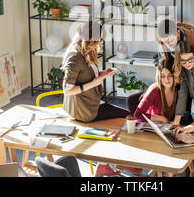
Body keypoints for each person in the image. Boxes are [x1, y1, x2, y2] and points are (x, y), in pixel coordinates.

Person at [61, 20, 133, 176]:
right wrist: (95, 82)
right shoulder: (75, 56)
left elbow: (88, 77)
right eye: (97, 40)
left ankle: (104, 164)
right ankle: (121, 162)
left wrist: (103, 74)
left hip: (90, 102)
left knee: (124, 118)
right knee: (127, 118)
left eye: (101, 39)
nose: (99, 43)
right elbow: (67, 90)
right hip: (84, 109)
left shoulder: (86, 51)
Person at [132, 58, 178, 123]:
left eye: (170, 75)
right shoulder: (154, 90)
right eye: (163, 76)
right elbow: (137, 115)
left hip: (169, 126)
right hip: (153, 126)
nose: (166, 79)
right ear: (159, 77)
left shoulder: (178, 90)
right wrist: (162, 119)